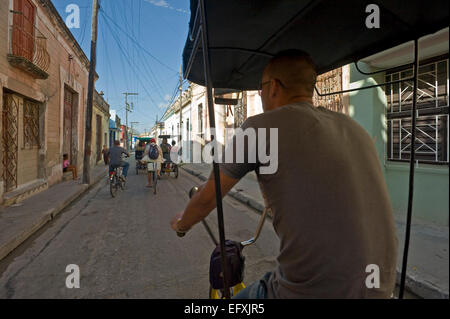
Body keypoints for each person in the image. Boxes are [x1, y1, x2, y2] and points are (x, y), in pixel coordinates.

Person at [170, 50, 398, 299]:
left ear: (274, 87)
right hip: (381, 286)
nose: (260, 93)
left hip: (311, 292)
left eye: (261, 87)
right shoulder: (355, 128)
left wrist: (182, 224)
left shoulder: (258, 127)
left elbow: (208, 196)